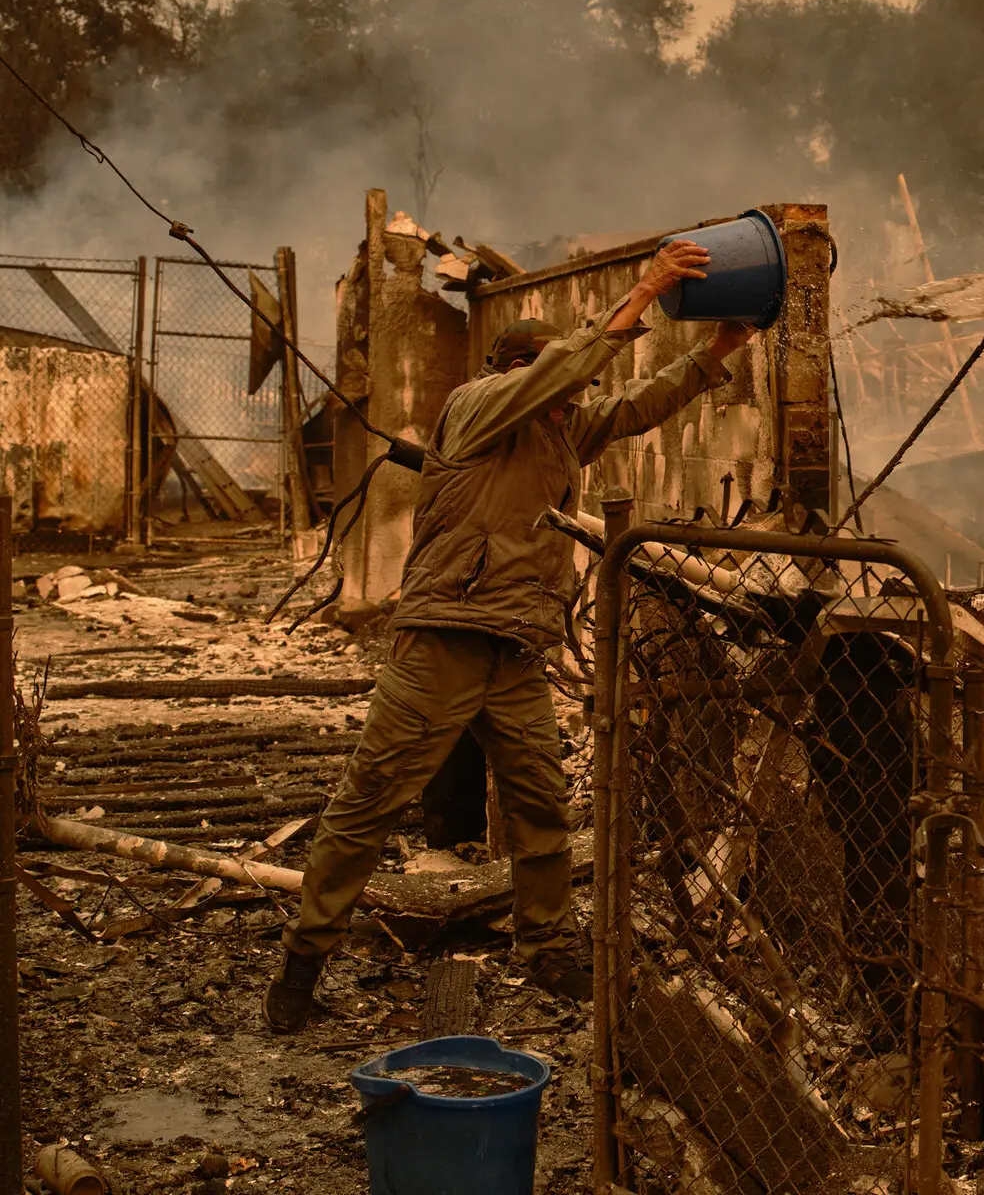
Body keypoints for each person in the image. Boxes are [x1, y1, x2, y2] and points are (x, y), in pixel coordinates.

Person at [265, 237, 755, 1032]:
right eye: (555, 390)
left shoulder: (557, 430)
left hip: (516, 648)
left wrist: (717, 351)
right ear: (514, 377)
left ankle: (547, 950)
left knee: (541, 806)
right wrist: (639, 297)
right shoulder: (475, 408)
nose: (569, 405)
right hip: (444, 638)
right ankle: (301, 965)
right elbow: (567, 373)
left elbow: (636, 407)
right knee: (370, 802)